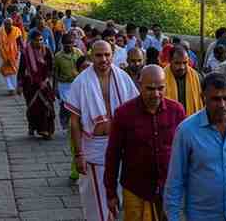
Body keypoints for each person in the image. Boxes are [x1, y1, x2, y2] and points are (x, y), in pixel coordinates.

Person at [164, 72, 226, 221]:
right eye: (216, 99)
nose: (222, 104)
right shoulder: (187, 131)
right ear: (203, 98)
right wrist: (174, 217)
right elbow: (175, 181)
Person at [66, 40, 139, 221]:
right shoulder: (81, 81)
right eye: (99, 55)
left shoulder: (122, 77)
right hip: (94, 145)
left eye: (107, 55)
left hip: (120, 144)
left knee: (117, 194)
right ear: (91, 56)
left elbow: (135, 111)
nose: (103, 59)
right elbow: (74, 122)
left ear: (112, 55)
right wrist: (78, 154)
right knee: (95, 198)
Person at [104, 65, 185, 221]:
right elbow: (113, 155)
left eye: (160, 88)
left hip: (167, 189)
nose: (156, 94)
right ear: (139, 85)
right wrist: (111, 193)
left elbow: (186, 152)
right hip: (135, 188)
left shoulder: (177, 111)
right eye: (150, 88)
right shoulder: (124, 113)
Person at [17, 29, 56, 139]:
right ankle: (36, 128)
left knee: (47, 106)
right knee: (34, 108)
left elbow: (51, 67)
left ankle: (47, 130)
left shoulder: (47, 51)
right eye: (36, 40)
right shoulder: (26, 53)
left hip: (45, 84)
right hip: (30, 85)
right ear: (31, 41)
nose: (39, 42)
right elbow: (21, 69)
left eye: (41, 40)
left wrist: (46, 80)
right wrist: (19, 85)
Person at [164, 45, 204, 117]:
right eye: (177, 63)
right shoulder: (162, 77)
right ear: (170, 61)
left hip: (192, 122)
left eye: (185, 63)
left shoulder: (197, 77)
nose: (181, 67)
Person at [53, 35, 83, 131]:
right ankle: (64, 122)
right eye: (66, 45)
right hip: (64, 84)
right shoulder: (58, 56)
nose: (69, 47)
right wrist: (55, 87)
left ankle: (77, 123)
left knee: (77, 105)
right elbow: (55, 73)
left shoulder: (78, 53)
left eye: (71, 44)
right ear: (63, 45)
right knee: (65, 105)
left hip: (76, 83)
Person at [0, 18, 23, 95]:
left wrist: (24, 50)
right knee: (6, 71)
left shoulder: (17, 30)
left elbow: (20, 41)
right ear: (4, 24)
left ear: (12, 24)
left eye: (9, 24)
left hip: (14, 54)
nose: (8, 26)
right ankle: (10, 88)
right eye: (6, 24)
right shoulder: (1, 31)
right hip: (4, 55)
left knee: (13, 71)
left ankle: (14, 87)